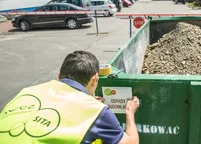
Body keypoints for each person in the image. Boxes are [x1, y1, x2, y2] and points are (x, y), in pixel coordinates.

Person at [0, 51, 140, 144]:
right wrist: (129, 113)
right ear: (95, 79)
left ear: (59, 76)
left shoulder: (26, 92)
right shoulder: (96, 111)